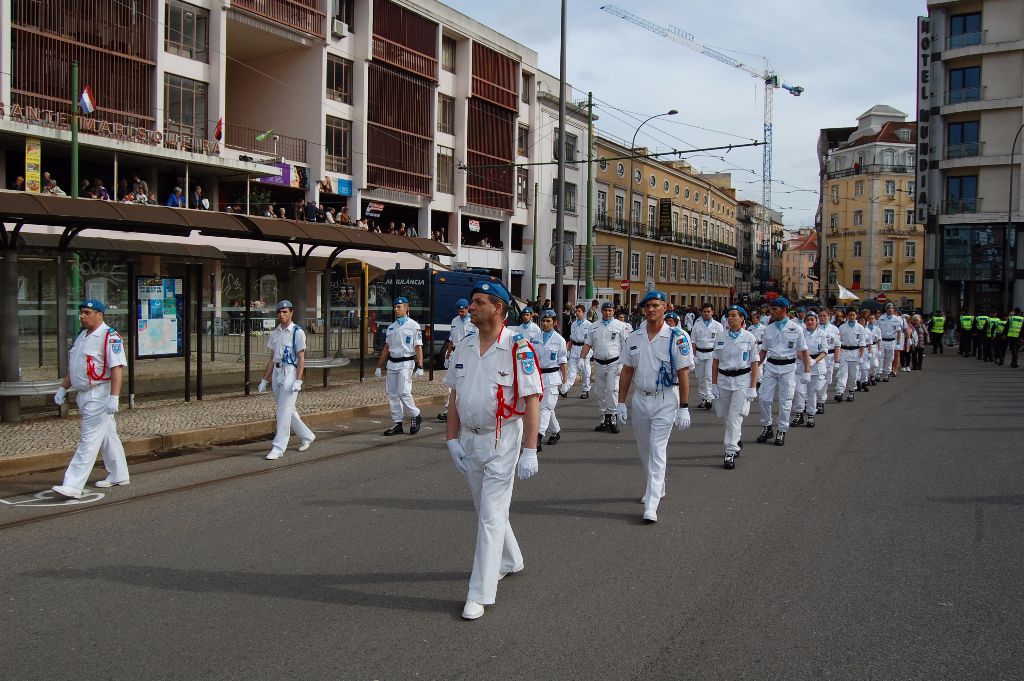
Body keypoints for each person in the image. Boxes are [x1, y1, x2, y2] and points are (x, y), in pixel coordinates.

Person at [444, 280, 541, 620]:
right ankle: (511, 559)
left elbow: (532, 399)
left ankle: (479, 593)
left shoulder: (518, 347)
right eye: (472, 301)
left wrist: (530, 449)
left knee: (489, 514)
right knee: (485, 508)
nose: (471, 307)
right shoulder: (464, 346)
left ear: (498, 308)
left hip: (503, 439)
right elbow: (454, 395)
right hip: (470, 439)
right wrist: (451, 438)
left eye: (479, 301)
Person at [616, 290, 693, 522]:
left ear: (665, 308)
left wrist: (684, 406)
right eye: (647, 306)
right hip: (641, 399)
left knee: (657, 449)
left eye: (656, 305)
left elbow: (683, 372)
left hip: (665, 399)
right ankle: (658, 486)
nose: (651, 309)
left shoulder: (677, 336)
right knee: (645, 450)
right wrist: (620, 402)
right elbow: (627, 370)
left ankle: (651, 504)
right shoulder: (634, 337)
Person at [51, 299, 129, 498]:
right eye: (82, 313)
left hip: (99, 393)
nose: (82, 316)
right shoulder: (82, 336)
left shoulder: (109, 336)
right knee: (108, 435)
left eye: (87, 312)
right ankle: (119, 474)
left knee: (89, 439)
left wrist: (114, 397)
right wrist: (63, 388)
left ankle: (73, 484)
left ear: (99, 315)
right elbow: (75, 368)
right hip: (84, 394)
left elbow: (117, 368)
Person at [257, 300, 315, 460]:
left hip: (290, 372)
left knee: (283, 411)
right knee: (288, 409)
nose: (281, 315)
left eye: (285, 312)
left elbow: (301, 358)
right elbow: (271, 358)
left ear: (291, 313)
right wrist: (264, 379)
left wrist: (298, 380)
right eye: (279, 312)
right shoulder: (275, 333)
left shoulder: (298, 332)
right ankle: (307, 435)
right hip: (277, 373)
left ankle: (279, 447)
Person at [756, 298, 810, 447]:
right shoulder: (769, 329)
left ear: (784, 310)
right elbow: (763, 351)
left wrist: (807, 370)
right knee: (764, 398)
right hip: (771, 366)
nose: (771, 312)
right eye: (771, 309)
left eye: (775, 309)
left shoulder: (796, 328)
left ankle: (781, 430)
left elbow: (804, 351)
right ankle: (767, 427)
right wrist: (752, 369)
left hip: (788, 368)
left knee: (785, 401)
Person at [710, 305, 759, 470]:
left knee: (734, 417)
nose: (730, 318)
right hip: (724, 380)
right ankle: (736, 440)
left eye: (734, 315)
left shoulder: (749, 337)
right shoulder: (721, 336)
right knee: (725, 416)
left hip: (741, 381)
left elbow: (754, 363)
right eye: (728, 315)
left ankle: (729, 451)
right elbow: (715, 362)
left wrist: (753, 386)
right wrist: (713, 384)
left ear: (742, 318)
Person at [374, 296, 424, 435]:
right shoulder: (392, 327)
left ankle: (416, 415)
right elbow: (387, 347)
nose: (396, 309)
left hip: (406, 363)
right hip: (392, 363)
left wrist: (420, 366)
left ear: (406, 308)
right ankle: (397, 423)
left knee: (404, 392)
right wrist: (379, 366)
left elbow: (418, 346)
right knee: (392, 394)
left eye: (399, 307)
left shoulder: (414, 326)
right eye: (394, 307)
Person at [581, 301, 629, 433]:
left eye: (610, 310)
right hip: (599, 363)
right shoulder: (594, 326)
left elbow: (625, 346)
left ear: (613, 311)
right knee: (600, 391)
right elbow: (588, 343)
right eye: (605, 310)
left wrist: (623, 364)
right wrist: (581, 358)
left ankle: (613, 418)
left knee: (612, 390)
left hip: (614, 362)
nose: (607, 313)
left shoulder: (621, 326)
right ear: (601, 311)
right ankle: (604, 418)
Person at [438, 298, 476, 422]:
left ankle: (463, 409)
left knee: (465, 381)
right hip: (455, 353)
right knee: (452, 381)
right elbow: (451, 339)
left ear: (467, 308)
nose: (460, 313)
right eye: (458, 311)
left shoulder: (473, 321)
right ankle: (449, 410)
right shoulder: (455, 320)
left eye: (462, 311)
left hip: (467, 353)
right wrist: (447, 356)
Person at [535, 310, 568, 447]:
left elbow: (563, 362)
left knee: (546, 408)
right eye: (543, 321)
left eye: (548, 321)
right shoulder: (536, 338)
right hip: (538, 377)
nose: (545, 323)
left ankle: (538, 436)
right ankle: (555, 431)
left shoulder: (559, 340)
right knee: (547, 408)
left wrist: (565, 383)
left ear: (554, 322)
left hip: (552, 377)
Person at [790, 311, 829, 428]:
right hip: (801, 364)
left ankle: (811, 415)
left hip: (816, 365)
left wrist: (814, 361)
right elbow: (795, 350)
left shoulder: (822, 334)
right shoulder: (800, 333)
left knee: (812, 392)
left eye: (812, 320)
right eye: (807, 320)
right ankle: (799, 413)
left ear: (816, 321)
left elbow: (824, 351)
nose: (810, 322)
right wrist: (806, 359)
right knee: (798, 391)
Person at [690, 303, 724, 410]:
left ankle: (709, 398)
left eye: (708, 311)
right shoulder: (697, 325)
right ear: (701, 312)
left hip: (712, 354)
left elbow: (721, 342)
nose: (706, 313)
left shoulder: (718, 325)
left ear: (712, 312)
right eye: (704, 311)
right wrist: (693, 355)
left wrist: (720, 356)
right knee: (701, 378)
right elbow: (693, 341)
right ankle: (703, 398)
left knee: (709, 376)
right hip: (699, 353)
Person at [834, 307, 866, 402]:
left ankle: (851, 391)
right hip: (844, 351)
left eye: (853, 315)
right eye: (850, 315)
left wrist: (861, 356)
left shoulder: (860, 328)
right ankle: (840, 391)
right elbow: (838, 342)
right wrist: (837, 357)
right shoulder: (842, 327)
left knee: (853, 374)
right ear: (847, 316)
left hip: (855, 352)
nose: (851, 317)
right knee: (842, 373)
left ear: (856, 315)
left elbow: (862, 343)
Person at [565, 304, 593, 399]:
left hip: (584, 348)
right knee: (571, 371)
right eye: (576, 311)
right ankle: (565, 389)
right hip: (575, 349)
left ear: (583, 312)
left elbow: (591, 340)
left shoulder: (589, 325)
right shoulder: (573, 324)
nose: (577, 313)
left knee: (585, 371)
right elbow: (571, 338)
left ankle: (585, 390)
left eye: (579, 311)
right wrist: (568, 350)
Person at [816, 309, 841, 413]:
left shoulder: (834, 329)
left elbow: (837, 346)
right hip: (817, 357)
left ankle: (821, 401)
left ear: (829, 316)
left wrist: (837, 361)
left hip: (829, 357)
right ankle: (816, 401)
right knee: (816, 380)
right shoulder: (814, 327)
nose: (822, 318)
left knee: (826, 380)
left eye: (824, 316)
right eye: (820, 316)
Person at [876, 304, 903, 382]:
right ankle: (878, 373)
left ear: (893, 310)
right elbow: (877, 330)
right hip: (882, 340)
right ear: (886, 309)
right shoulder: (881, 318)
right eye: (888, 308)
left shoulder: (896, 319)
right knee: (880, 357)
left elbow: (898, 331)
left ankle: (886, 374)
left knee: (889, 358)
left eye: (891, 308)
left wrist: (898, 343)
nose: (890, 309)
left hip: (891, 341)